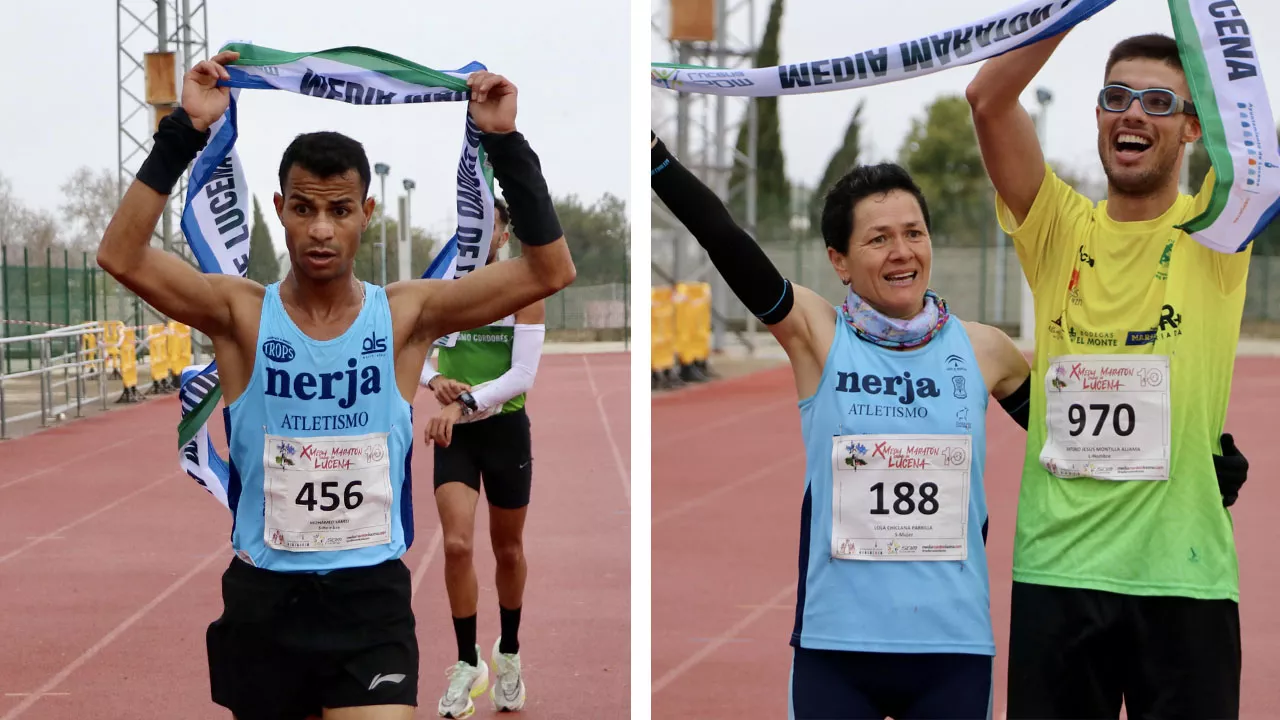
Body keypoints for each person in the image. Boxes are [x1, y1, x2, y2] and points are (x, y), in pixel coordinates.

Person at [96, 50, 575, 720]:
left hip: (368, 603)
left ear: (366, 212)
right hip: (266, 603)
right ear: (280, 209)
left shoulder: (407, 315)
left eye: (340, 210)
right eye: (304, 209)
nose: (321, 229)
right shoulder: (238, 314)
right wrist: (184, 129)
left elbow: (549, 271)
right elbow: (120, 254)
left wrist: (504, 141)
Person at [652, 130, 1033, 719]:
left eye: (914, 233)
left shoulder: (987, 351)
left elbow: (1075, 442)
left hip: (953, 645)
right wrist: (657, 161)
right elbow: (725, 238)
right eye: (878, 239)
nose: (902, 252)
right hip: (837, 645)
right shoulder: (819, 336)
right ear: (840, 261)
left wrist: (1199, 450)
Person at [967, 31, 1254, 717]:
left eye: (1158, 101)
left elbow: (1255, 139)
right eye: (1115, 97)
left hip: (1183, 580)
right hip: (1057, 575)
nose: (1131, 113)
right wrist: (1067, 11)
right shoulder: (1057, 227)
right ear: (1096, 116)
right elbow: (987, 98)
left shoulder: (1217, 228)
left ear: (1192, 126)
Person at [417, 198, 546, 717]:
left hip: (503, 431)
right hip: (458, 436)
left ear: (504, 232)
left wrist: (466, 403)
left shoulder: (524, 286)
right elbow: (417, 349)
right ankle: (468, 663)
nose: (481, 232)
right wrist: (434, 379)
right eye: (472, 224)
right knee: (454, 545)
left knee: (508, 550)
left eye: (491, 224)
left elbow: (522, 376)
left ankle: (508, 653)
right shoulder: (445, 287)